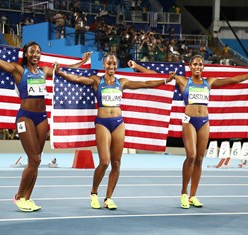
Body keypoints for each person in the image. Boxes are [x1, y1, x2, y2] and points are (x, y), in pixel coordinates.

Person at [0, 36, 92, 212]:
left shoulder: (44, 71)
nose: (36, 54)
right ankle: (19, 196)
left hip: (42, 118)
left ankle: (27, 198)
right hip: (25, 117)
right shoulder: (18, 69)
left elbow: (64, 69)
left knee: (36, 161)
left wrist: (83, 61)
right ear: (26, 54)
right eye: (32, 51)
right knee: (34, 159)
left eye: (38, 52)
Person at [128, 54, 248, 209]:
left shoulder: (209, 81)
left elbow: (234, 79)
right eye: (195, 64)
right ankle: (183, 193)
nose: (198, 67)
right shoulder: (183, 81)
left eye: (200, 64)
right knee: (191, 156)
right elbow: (158, 77)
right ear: (190, 66)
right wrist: (137, 66)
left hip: (204, 122)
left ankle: (193, 196)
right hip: (189, 121)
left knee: (200, 159)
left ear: (203, 67)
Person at [56, 53, 170, 210]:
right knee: (104, 161)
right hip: (102, 123)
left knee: (116, 163)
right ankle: (94, 193)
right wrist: (60, 72)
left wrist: (165, 80)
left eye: (114, 64)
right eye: (109, 64)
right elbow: (77, 79)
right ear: (104, 64)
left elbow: (145, 83)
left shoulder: (121, 82)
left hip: (118, 123)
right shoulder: (97, 80)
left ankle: (109, 198)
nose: (112, 67)